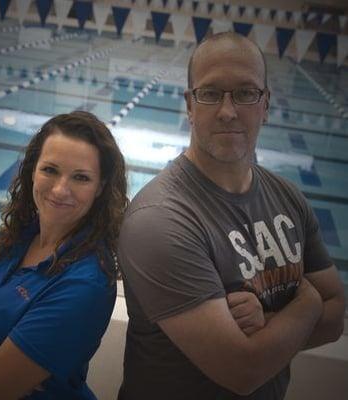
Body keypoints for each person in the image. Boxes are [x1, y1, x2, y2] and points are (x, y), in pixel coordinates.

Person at [118, 32, 345, 400]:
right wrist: (307, 301)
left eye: (245, 93)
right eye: (210, 94)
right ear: (190, 105)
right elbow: (242, 369)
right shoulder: (160, 220)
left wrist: (268, 323)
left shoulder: (288, 198)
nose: (227, 111)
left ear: (266, 104)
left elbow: (336, 320)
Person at [0, 111, 128, 399]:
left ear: (100, 187)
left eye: (80, 177)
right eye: (50, 170)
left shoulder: (85, 284)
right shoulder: (21, 235)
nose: (60, 190)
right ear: (32, 169)